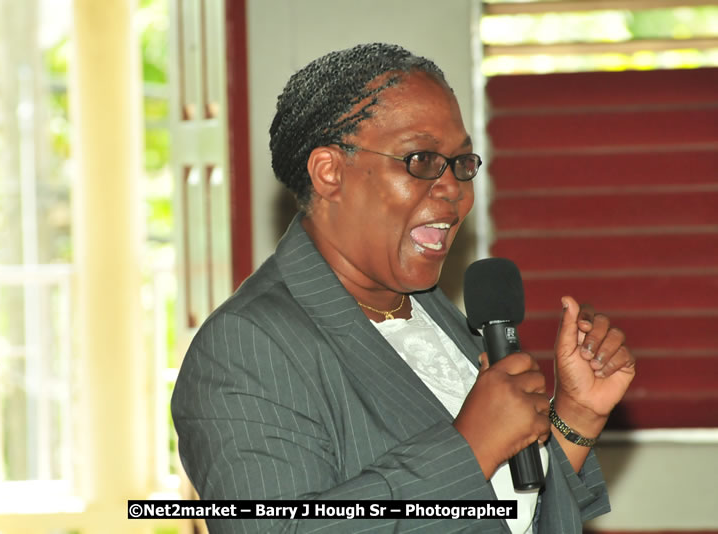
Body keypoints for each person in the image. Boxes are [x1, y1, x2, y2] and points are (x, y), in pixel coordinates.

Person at [171, 43, 635, 533]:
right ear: (329, 173)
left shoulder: (426, 307)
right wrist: (470, 448)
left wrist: (576, 417)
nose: (453, 188)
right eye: (421, 159)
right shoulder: (245, 347)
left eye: (461, 162)